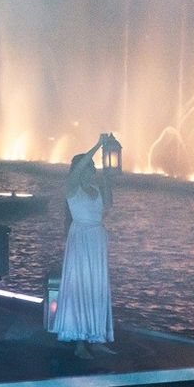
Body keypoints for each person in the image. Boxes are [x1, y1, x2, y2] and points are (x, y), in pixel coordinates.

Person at [52, 136, 116, 360]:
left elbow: (107, 206)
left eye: (94, 167)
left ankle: (96, 337)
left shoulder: (95, 189)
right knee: (80, 289)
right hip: (81, 240)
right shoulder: (72, 188)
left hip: (97, 239)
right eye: (91, 166)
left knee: (96, 289)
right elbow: (77, 169)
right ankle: (80, 342)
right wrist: (98, 145)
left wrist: (108, 178)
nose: (94, 169)